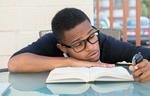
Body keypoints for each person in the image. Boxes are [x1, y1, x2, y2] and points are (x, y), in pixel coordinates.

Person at [8, 8, 150, 82]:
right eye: (78, 44)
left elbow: (140, 52)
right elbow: (14, 64)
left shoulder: (101, 41)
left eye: (91, 35)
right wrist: (72, 62)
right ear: (62, 47)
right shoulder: (51, 41)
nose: (91, 47)